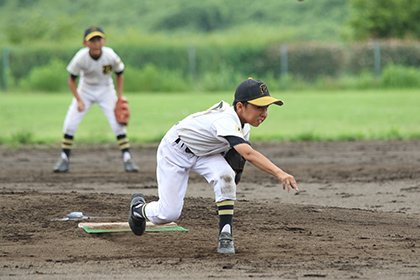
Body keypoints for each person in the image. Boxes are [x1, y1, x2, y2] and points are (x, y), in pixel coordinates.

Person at [128, 78, 298, 253]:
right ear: (240, 107)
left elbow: (237, 156)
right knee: (168, 214)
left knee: (225, 176)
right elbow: (248, 153)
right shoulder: (226, 121)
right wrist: (279, 173)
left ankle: (225, 234)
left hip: (205, 154)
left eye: (266, 107)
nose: (264, 113)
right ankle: (138, 210)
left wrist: (233, 178)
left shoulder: (242, 126)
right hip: (176, 151)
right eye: (259, 107)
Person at [53, 26, 139, 173]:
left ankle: (127, 158)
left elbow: (120, 73)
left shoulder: (110, 55)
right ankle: (64, 159)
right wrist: (79, 100)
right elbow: (71, 80)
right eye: (92, 40)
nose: (96, 43)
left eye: (98, 39)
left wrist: (119, 97)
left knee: (117, 124)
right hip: (85, 90)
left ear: (104, 41)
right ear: (85, 43)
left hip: (106, 90)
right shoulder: (81, 57)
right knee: (70, 123)